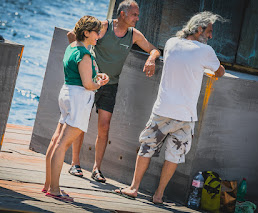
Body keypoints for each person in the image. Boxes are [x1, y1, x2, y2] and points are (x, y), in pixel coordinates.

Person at [115, 11, 226, 204]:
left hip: (162, 110)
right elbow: (220, 72)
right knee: (174, 155)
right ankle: (158, 196)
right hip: (186, 115)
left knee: (147, 147)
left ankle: (133, 188)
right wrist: (210, 68)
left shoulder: (171, 43)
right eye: (209, 31)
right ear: (199, 28)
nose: (210, 36)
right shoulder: (205, 51)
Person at [67, 0, 161, 183]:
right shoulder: (103, 27)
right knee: (81, 121)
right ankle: (75, 163)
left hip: (110, 85)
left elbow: (154, 49)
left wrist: (151, 59)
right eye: (134, 14)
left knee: (104, 126)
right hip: (90, 82)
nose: (138, 18)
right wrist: (82, 60)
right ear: (123, 14)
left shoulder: (134, 34)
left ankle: (96, 169)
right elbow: (73, 35)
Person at [43, 15, 109, 201]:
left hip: (67, 94)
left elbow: (81, 76)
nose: (99, 35)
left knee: (56, 141)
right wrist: (100, 84)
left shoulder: (71, 47)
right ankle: (55, 190)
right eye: (96, 32)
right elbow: (88, 84)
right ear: (86, 32)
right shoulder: (85, 54)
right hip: (79, 99)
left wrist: (97, 77)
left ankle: (48, 185)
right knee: (63, 144)